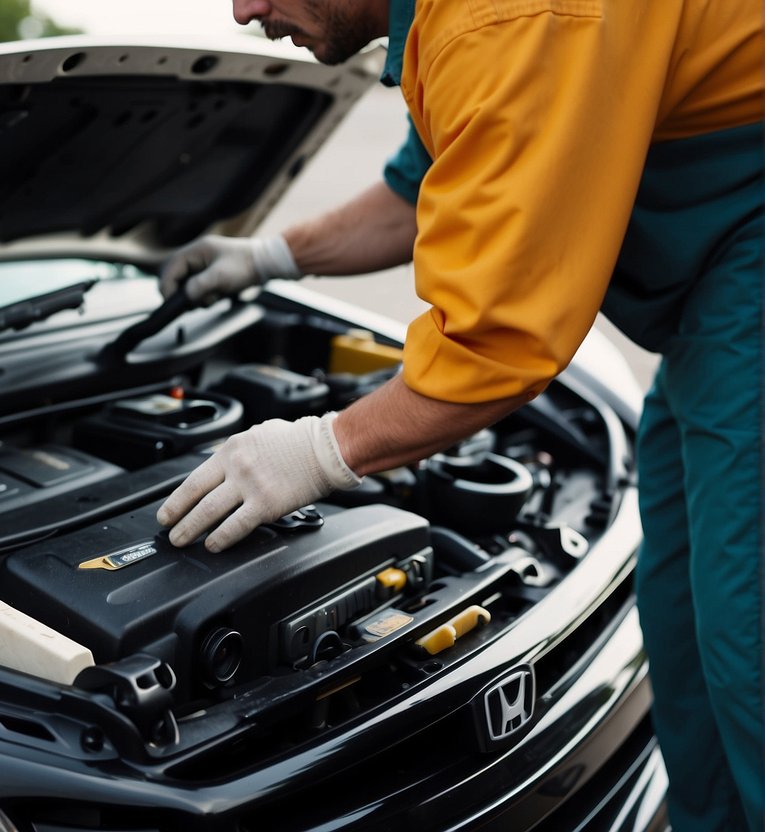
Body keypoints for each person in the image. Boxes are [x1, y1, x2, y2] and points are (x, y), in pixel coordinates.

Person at [155, 0, 764, 829]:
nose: (242, 9)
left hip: (749, 271)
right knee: (684, 628)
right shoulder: (439, 28)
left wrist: (319, 451)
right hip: (713, 313)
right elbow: (419, 192)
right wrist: (266, 256)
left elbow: (495, 351)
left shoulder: (503, 22)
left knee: (747, 639)